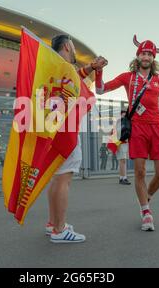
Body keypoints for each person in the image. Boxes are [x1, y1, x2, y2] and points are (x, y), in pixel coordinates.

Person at [96, 36, 159, 231]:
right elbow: (100, 89)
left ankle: (146, 197)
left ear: (153, 58)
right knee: (140, 171)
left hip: (157, 127)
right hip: (137, 127)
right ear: (137, 57)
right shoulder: (127, 77)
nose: (146, 57)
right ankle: (146, 211)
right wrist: (99, 70)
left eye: (149, 54)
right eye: (143, 53)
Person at [46, 34, 108, 243]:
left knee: (56, 177)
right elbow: (76, 83)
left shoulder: (53, 65)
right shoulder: (64, 67)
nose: (74, 50)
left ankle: (53, 223)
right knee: (64, 178)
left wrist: (92, 66)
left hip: (53, 128)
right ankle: (60, 229)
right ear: (66, 46)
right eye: (72, 47)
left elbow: (77, 76)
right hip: (67, 129)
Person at [116, 110, 130, 185]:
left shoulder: (125, 123)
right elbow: (116, 134)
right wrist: (117, 145)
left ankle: (123, 177)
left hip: (125, 144)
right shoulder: (119, 123)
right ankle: (123, 178)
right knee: (122, 161)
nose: (124, 116)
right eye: (123, 115)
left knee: (123, 161)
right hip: (121, 144)